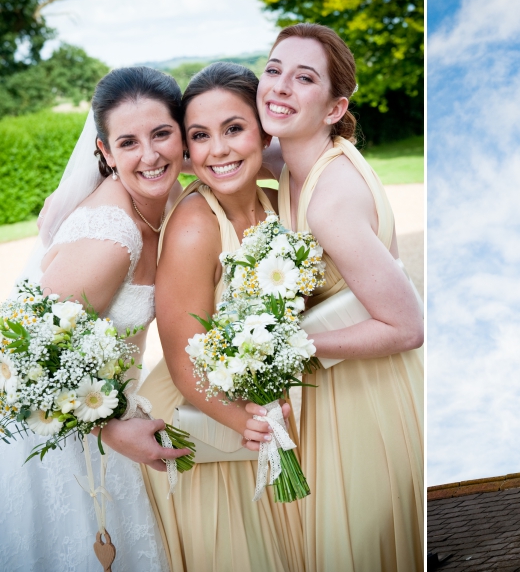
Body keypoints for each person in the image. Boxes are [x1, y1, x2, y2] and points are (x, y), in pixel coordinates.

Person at [248, 23, 424, 572]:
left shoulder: (331, 200)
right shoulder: (293, 157)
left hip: (367, 396)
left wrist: (287, 348)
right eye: (273, 70)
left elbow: (406, 326)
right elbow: (214, 153)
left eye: (304, 78)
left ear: (333, 107)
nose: (279, 87)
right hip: (340, 384)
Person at [0, 67, 192, 571]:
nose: (149, 156)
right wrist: (109, 431)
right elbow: (19, 354)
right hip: (60, 435)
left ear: (183, 135)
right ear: (104, 153)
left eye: (161, 134)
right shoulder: (111, 239)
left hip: (109, 415)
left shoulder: (166, 195)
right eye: (128, 142)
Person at [138, 62, 304, 572]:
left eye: (234, 129)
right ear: (187, 152)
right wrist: (248, 423)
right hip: (210, 417)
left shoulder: (282, 204)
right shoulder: (194, 226)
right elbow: (184, 359)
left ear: (261, 128)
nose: (220, 150)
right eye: (200, 137)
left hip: (270, 403)